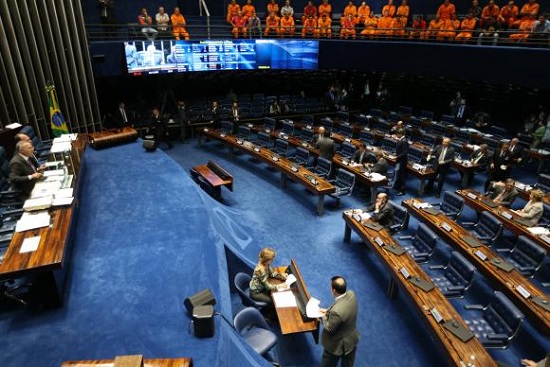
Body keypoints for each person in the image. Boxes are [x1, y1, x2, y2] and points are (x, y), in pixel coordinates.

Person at [318, 276, 360, 367]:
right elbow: (342, 309)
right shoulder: (351, 294)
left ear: (334, 290)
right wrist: (328, 311)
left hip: (336, 345)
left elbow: (329, 328)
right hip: (351, 340)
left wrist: (323, 316)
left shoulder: (337, 311)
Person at [393, 129, 408, 196]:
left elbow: (405, 152)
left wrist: (397, 157)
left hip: (402, 161)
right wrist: (396, 153)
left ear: (401, 134)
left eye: (397, 134)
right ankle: (397, 186)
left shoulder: (404, 141)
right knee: (398, 173)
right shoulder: (401, 140)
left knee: (402, 175)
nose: (396, 135)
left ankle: (402, 190)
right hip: (399, 160)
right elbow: (399, 149)